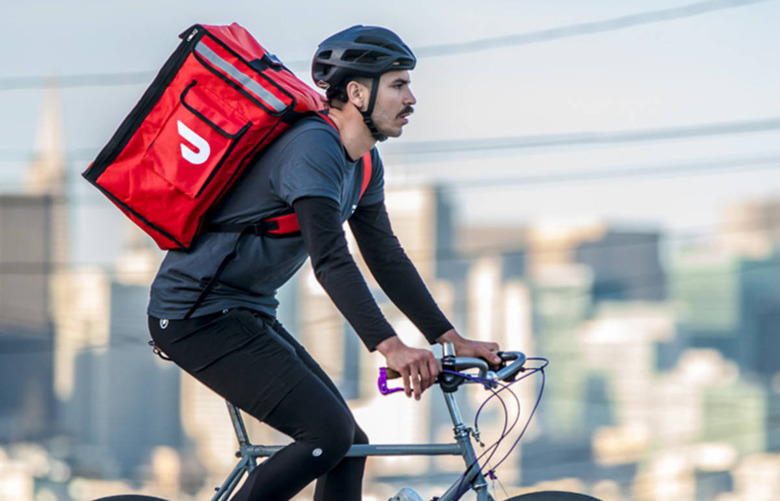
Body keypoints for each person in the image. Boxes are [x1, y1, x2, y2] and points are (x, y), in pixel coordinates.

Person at [147, 25, 501, 501]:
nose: (411, 98)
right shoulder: (314, 147)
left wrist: (449, 338)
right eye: (398, 85)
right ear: (356, 93)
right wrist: (391, 347)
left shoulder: (365, 162)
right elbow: (331, 260)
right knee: (327, 435)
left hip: (246, 311)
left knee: (350, 444)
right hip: (196, 316)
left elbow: (386, 257)